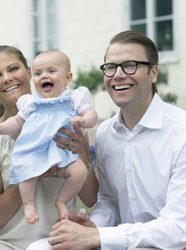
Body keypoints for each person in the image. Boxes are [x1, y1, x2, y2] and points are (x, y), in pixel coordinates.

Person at [27, 30, 186, 250]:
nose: (118, 75)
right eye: (110, 68)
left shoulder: (181, 131)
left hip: (168, 245)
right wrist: (93, 226)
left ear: (153, 73)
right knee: (39, 248)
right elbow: (109, 202)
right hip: (120, 242)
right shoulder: (105, 132)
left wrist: (98, 237)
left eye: (130, 65)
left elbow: (178, 230)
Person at [0, 45, 99, 249]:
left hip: (60, 242)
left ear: (29, 72)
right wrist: (35, 168)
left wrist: (82, 153)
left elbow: (90, 198)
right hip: (9, 245)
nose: (6, 78)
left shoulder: (68, 121)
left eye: (13, 69)